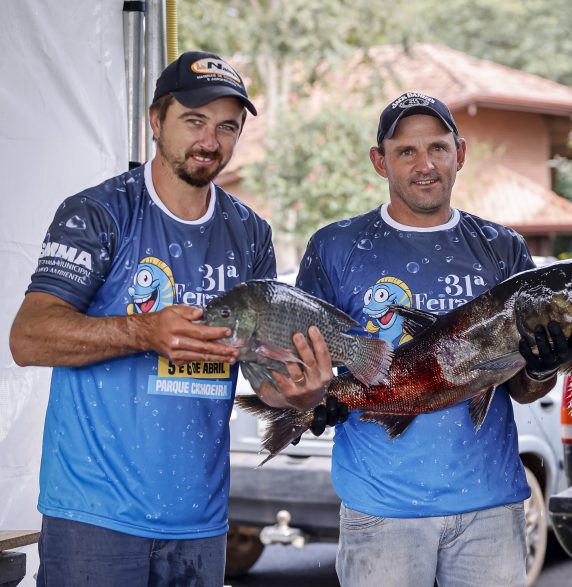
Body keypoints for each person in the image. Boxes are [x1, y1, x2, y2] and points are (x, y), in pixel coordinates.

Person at [9, 51, 338, 585]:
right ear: (156, 120)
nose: (211, 140)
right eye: (194, 121)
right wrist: (142, 330)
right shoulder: (98, 213)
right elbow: (28, 337)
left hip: (200, 523)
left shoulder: (250, 233)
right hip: (95, 517)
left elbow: (263, 378)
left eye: (227, 127)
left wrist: (299, 396)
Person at [295, 92, 572, 586]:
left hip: (490, 511)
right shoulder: (336, 246)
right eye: (406, 151)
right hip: (381, 510)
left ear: (461, 154)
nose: (424, 165)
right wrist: (310, 398)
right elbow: (303, 364)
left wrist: (541, 368)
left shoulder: (502, 248)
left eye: (438, 148)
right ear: (379, 161)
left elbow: (522, 390)